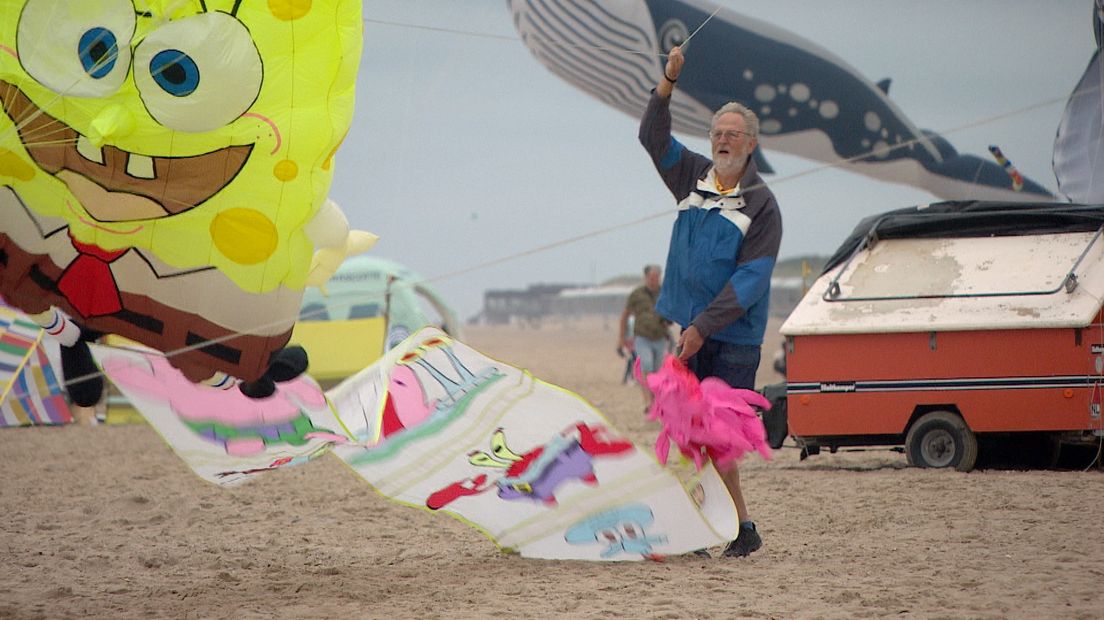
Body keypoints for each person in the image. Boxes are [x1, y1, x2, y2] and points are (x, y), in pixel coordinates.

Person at [639, 45, 782, 558]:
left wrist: (704, 325)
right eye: (718, 133)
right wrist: (668, 81)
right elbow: (652, 137)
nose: (724, 140)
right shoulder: (690, 176)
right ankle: (720, 526)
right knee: (689, 434)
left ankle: (737, 526)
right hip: (690, 330)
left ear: (751, 143)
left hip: (734, 340)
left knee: (719, 438)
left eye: (733, 134)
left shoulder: (762, 204)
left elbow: (751, 280)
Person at [617, 264, 670, 409]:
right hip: (642, 337)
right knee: (646, 365)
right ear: (646, 278)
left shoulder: (665, 293)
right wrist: (621, 338)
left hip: (660, 337)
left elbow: (671, 314)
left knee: (657, 371)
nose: (654, 280)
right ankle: (647, 401)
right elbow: (625, 315)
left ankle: (655, 400)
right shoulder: (637, 294)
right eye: (651, 277)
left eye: (656, 277)